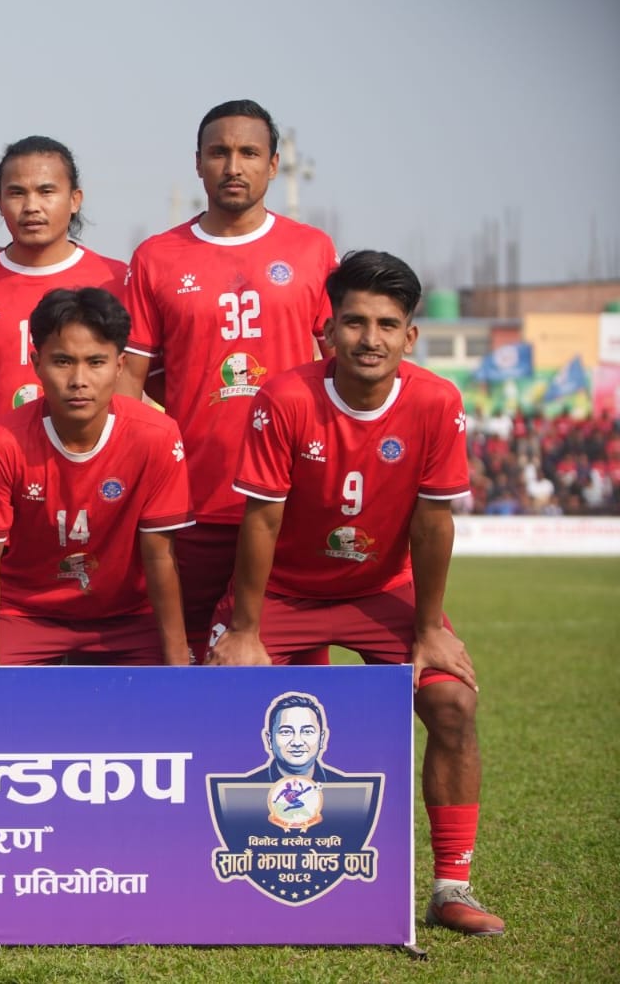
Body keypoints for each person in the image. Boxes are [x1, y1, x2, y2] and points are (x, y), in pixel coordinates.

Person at [209, 249, 504, 936]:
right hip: (284, 591)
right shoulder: (285, 397)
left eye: (387, 324)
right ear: (329, 330)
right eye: (355, 322)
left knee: (453, 703)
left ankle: (451, 886)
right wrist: (245, 630)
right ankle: (224, 871)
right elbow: (262, 518)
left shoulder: (437, 401)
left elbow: (433, 521)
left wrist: (429, 629)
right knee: (218, 698)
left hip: (380, 589)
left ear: (410, 336)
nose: (370, 339)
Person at [117, 99, 338, 663]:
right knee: (182, 664)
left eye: (249, 153)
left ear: (274, 164)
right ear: (197, 163)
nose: (233, 166)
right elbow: (129, 383)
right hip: (191, 498)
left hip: (290, 500)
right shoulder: (156, 257)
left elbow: (340, 371)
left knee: (290, 669)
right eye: (219, 152)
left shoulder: (312, 249)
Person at [0, 287, 191, 665]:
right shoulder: (2, 441)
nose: (79, 379)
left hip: (127, 617)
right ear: (37, 363)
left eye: (96, 362)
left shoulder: (157, 436)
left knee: (157, 700)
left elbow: (159, 554)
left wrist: (177, 657)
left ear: (119, 365)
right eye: (63, 361)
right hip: (26, 613)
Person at [0, 135, 129, 442]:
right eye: (17, 193)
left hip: (92, 464)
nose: (31, 206)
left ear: (75, 200)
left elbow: (139, 378)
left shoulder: (115, 279)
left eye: (46, 191)